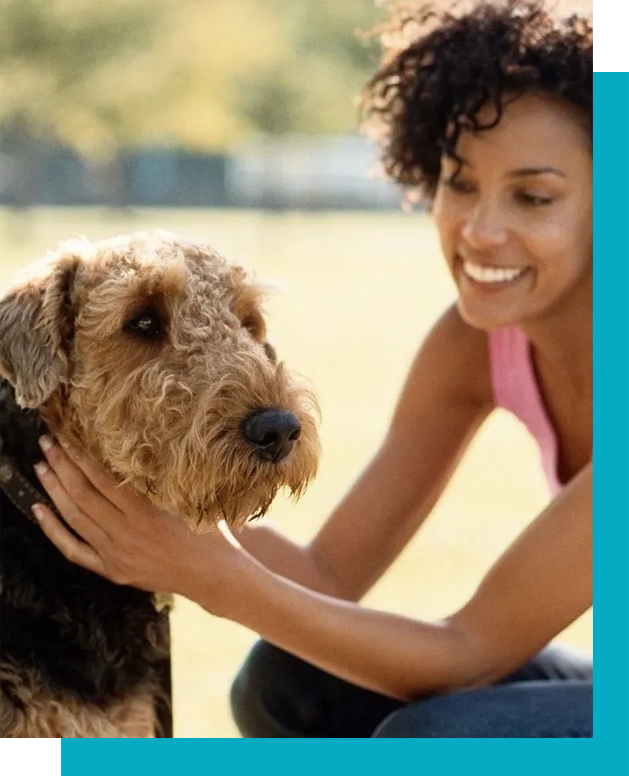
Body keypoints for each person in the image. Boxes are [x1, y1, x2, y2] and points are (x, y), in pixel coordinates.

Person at [31, 0, 592, 738]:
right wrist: (124, 495)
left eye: (533, 196)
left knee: (441, 738)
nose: (479, 230)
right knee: (288, 683)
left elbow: (469, 656)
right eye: (459, 183)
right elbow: (327, 577)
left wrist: (206, 574)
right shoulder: (474, 342)